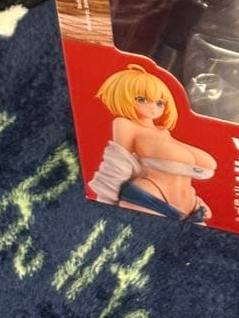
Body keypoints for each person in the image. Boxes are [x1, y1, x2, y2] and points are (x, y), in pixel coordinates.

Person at [89, 63, 216, 222]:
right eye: (142, 99)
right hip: (150, 198)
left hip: (190, 208)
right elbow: (118, 163)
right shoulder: (125, 124)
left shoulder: (163, 132)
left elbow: (182, 171)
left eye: (159, 102)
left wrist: (197, 202)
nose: (154, 107)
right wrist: (106, 203)